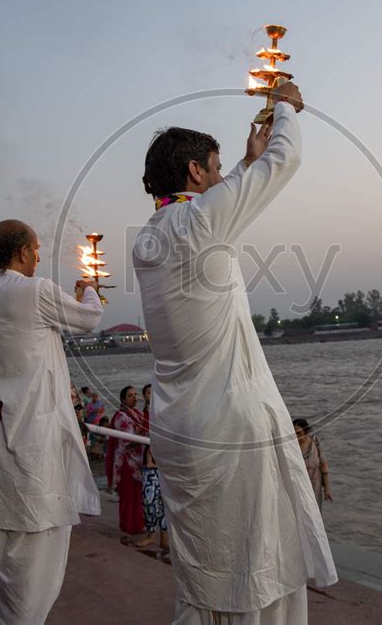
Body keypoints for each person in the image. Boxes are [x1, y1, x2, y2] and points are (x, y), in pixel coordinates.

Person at [133, 82, 337, 624]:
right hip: (228, 429)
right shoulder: (199, 222)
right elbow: (285, 158)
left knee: (206, 575)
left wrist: (242, 166)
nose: (224, 176)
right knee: (256, 572)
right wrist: (288, 108)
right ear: (197, 174)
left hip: (179, 427)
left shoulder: (150, 237)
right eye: (216, 167)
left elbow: (219, 205)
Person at [0, 219, 103, 624]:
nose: (39, 257)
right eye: (36, 250)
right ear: (22, 252)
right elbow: (88, 320)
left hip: (0, 449)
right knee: (34, 564)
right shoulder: (33, 291)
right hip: (34, 453)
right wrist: (89, 291)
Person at [105, 386, 145, 540]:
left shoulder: (138, 414)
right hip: (127, 462)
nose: (134, 398)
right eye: (130, 396)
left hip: (138, 461)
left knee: (137, 494)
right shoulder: (121, 417)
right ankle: (128, 526)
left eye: (135, 395)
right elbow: (128, 442)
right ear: (123, 399)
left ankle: (137, 525)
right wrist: (142, 432)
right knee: (128, 495)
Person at [293, 418, 332, 512]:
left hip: (315, 485)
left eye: (299, 433)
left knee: (315, 513)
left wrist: (326, 490)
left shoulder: (314, 441)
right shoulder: (291, 446)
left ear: (306, 432)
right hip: (298, 486)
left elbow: (323, 465)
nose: (296, 437)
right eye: (293, 434)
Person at [136, 446, 169, 549]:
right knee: (148, 503)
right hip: (152, 472)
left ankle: (164, 538)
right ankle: (151, 535)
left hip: (164, 472)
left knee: (164, 505)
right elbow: (149, 462)